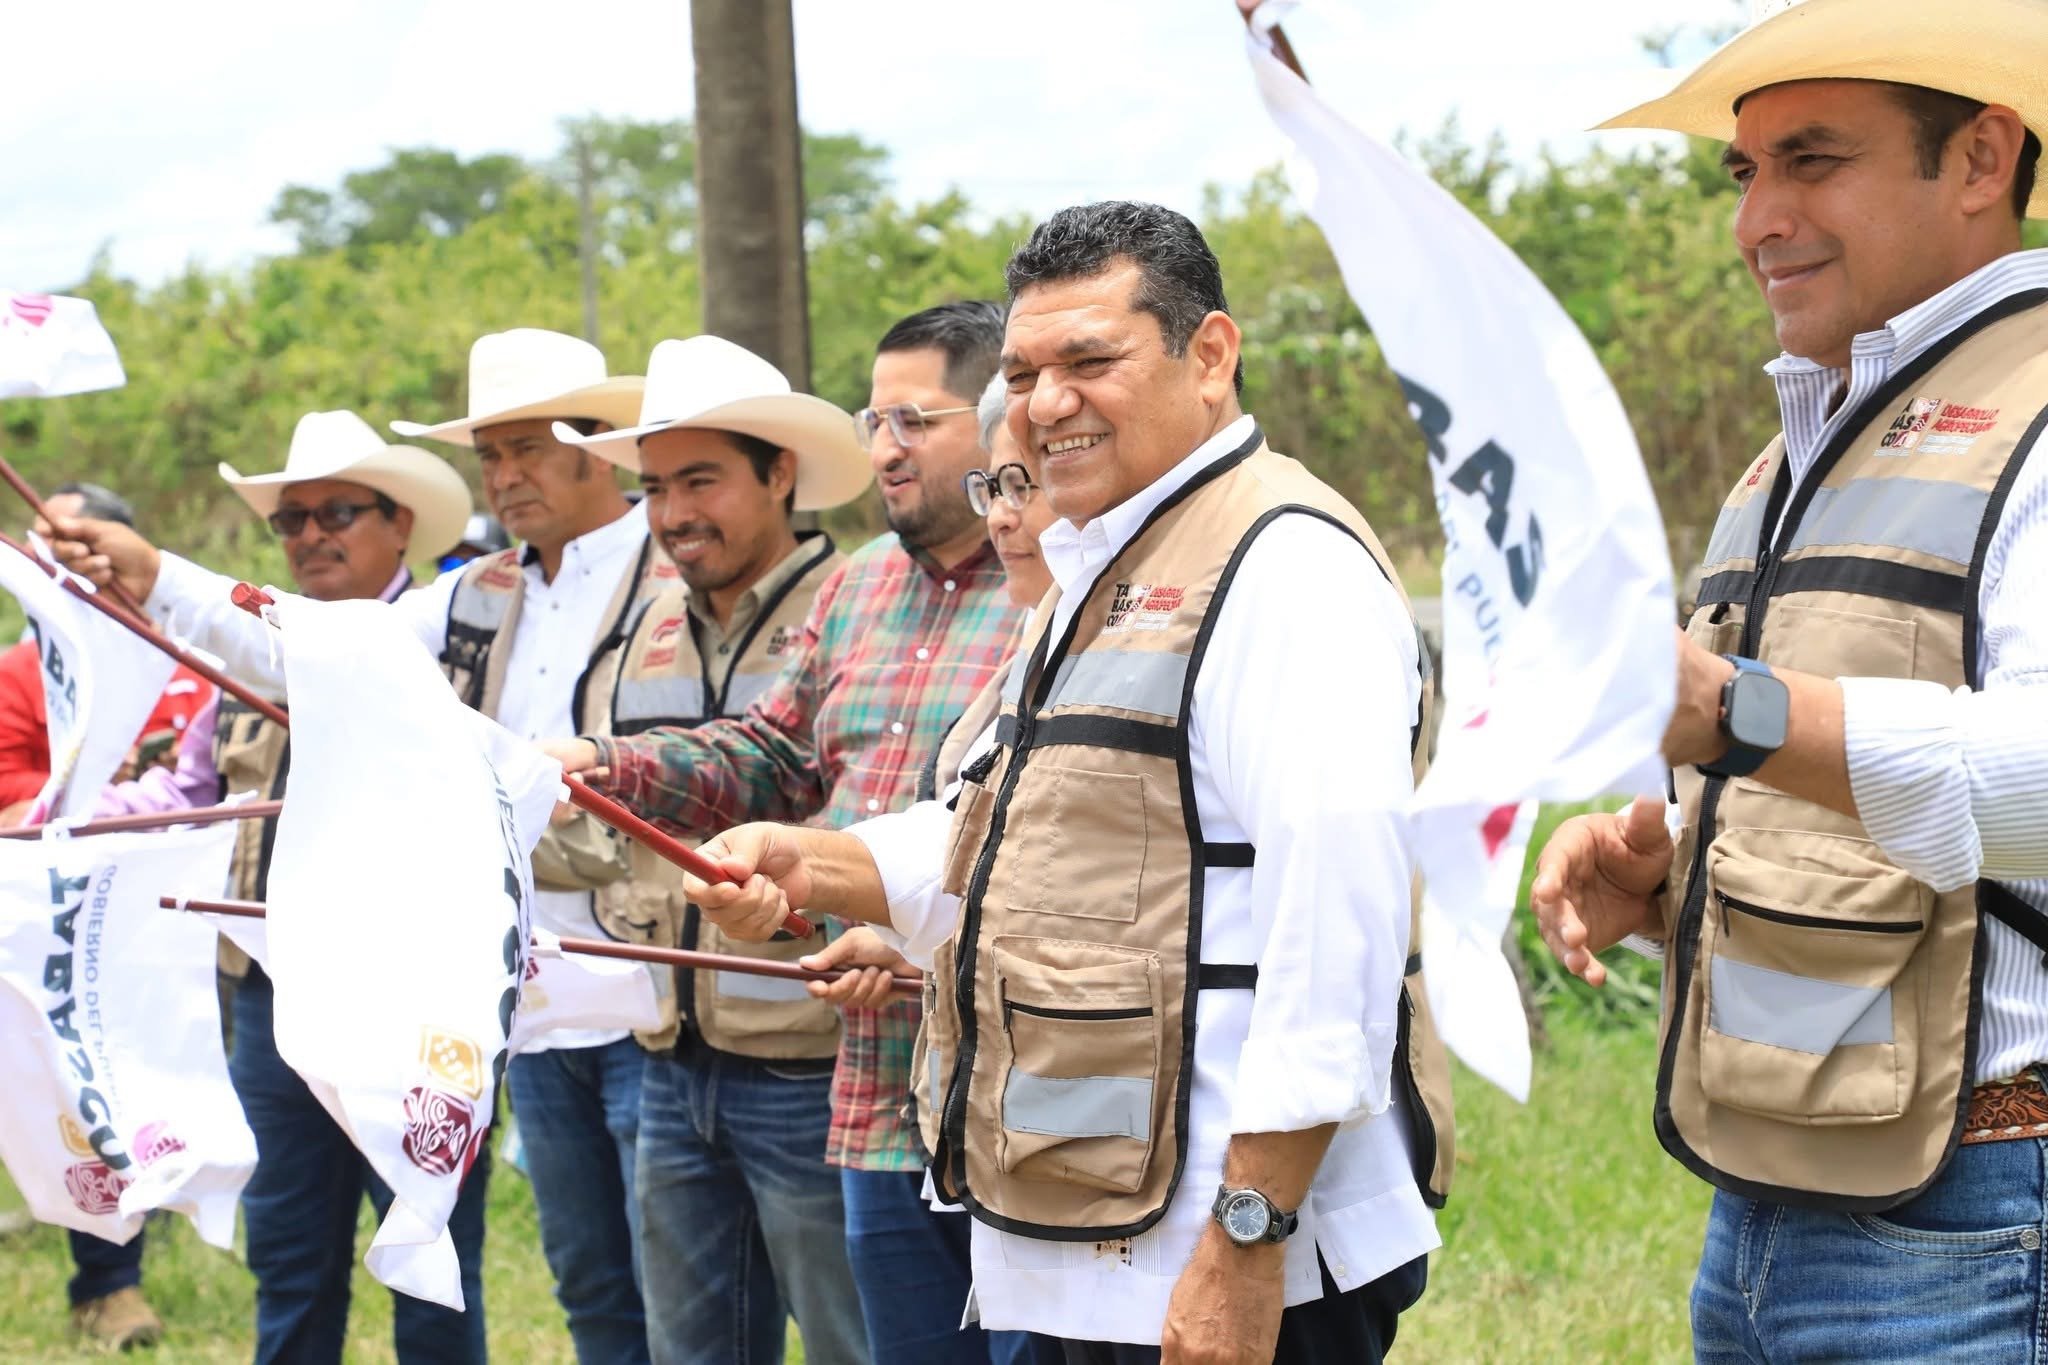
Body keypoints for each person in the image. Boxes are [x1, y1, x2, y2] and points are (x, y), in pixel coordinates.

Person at [661, 201, 1458, 1364]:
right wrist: (813, 863)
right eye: (1026, 369)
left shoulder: (1282, 569)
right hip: (1099, 1221)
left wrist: (1247, 1239)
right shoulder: (1100, 561)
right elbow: (1018, 837)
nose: (1044, 404)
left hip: (1218, 1249)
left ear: (1210, 355)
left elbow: (1333, 930)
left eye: (1090, 361)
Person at [1532, 4, 2048, 1358]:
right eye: (1743, 170)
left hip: (1987, 1210)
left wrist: (1735, 712)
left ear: (1984, 158)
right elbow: (1822, 805)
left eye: (1811, 160)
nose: (1757, 216)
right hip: (1769, 1202)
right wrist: (1669, 878)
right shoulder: (1787, 460)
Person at [547, 302, 1036, 1364]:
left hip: (1012, 1086)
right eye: (874, 420)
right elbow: (765, 756)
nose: (885, 449)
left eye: (915, 419)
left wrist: (913, 937)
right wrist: (604, 765)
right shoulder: (858, 592)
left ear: (1000, 422)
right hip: (872, 1086)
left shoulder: (1057, 595)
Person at [45, 412, 490, 1363]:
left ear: (400, 523)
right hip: (271, 999)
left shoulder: (453, 638)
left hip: (412, 1004)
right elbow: (187, 789)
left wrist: (158, 576)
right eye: (291, 522)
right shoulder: (254, 639)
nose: (310, 535)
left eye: (337, 511)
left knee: (433, 1259)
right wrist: (62, 820)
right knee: (289, 1256)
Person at [549, 334, 873, 1365]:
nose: (675, 515)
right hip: (665, 1057)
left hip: (812, 1064)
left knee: (851, 1341)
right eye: (653, 488)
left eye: (701, 479)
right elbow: (606, 835)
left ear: (780, 472)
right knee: (687, 1350)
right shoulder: (641, 628)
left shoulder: (855, 612)